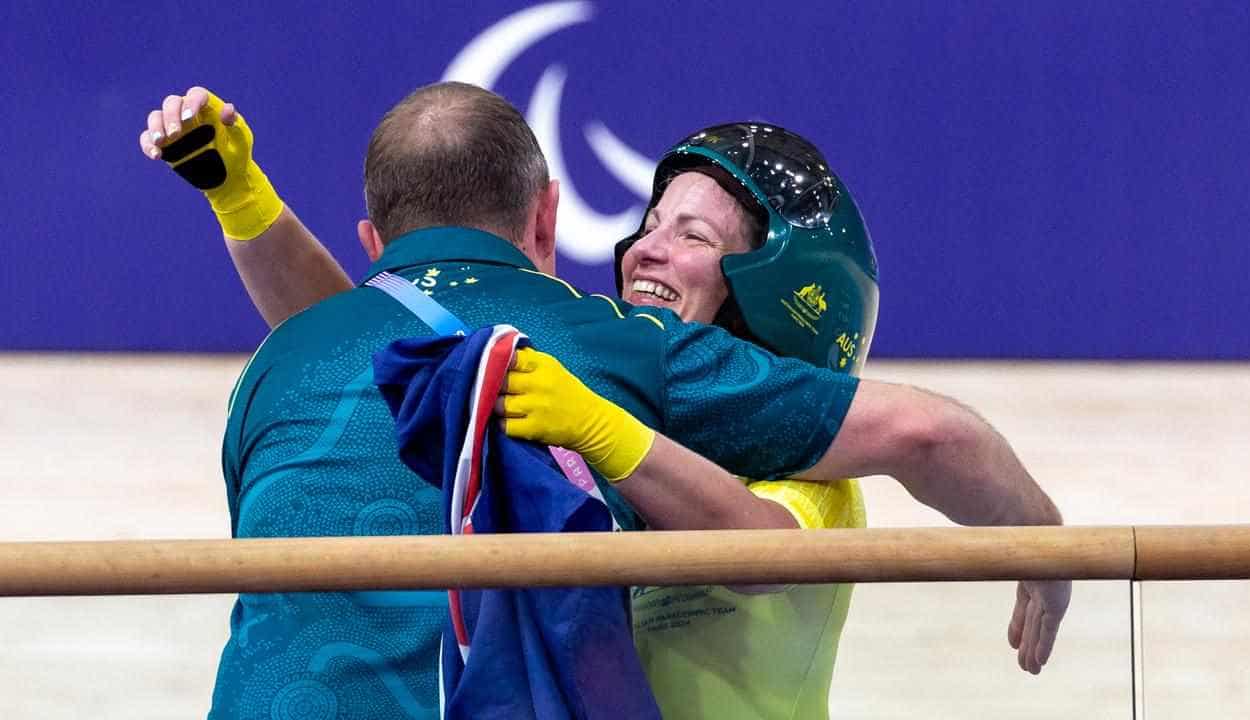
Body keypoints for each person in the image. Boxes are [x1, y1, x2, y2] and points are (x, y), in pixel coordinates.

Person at [141, 83, 1067, 719]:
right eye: (648, 224)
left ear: (375, 237)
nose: (644, 251)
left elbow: (792, 536)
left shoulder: (278, 365)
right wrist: (1045, 546)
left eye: (691, 234)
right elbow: (391, 352)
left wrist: (611, 433)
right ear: (547, 216)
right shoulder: (604, 354)